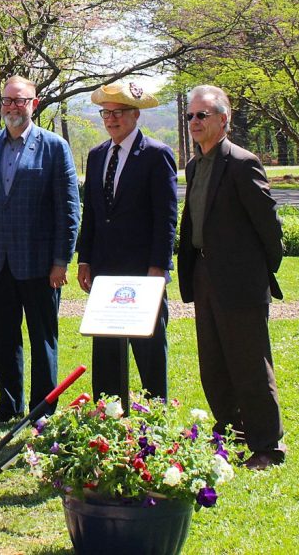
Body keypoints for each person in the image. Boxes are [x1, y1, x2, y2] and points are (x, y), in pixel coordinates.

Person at [178, 85, 286, 470]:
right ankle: (231, 435)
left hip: (241, 280)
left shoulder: (242, 162)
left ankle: (267, 446)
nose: (194, 121)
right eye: (190, 115)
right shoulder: (195, 165)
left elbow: (269, 226)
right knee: (214, 363)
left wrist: (257, 270)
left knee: (250, 364)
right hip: (205, 276)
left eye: (201, 115)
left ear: (223, 119)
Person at [0, 76, 80, 427]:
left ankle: (42, 411)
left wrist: (61, 260)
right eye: (8, 101)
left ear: (35, 102)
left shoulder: (54, 147)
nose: (13, 107)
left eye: (21, 101)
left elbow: (69, 209)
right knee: (4, 337)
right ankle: (8, 405)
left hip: (41, 264)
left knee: (43, 338)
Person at [77, 81, 177, 400]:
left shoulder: (156, 155)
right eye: (106, 113)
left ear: (135, 115)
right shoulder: (96, 156)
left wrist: (158, 268)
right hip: (104, 272)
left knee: (148, 353)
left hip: (143, 272)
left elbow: (166, 218)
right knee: (106, 354)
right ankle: (107, 424)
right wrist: (84, 259)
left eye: (119, 113)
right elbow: (91, 214)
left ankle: (155, 425)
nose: (111, 119)